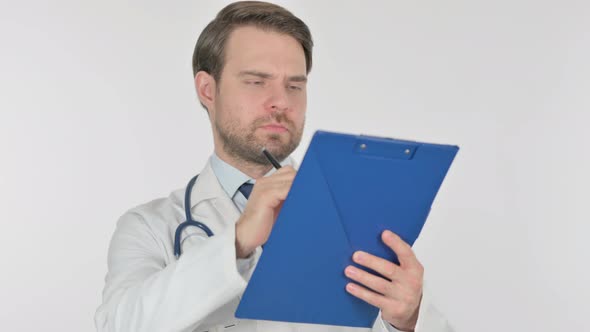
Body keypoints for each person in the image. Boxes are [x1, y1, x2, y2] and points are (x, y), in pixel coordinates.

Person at [95, 2, 453, 331]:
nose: (281, 102)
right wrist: (237, 241)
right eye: (256, 82)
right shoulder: (150, 228)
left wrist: (409, 319)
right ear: (207, 89)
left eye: (294, 85)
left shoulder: (354, 215)